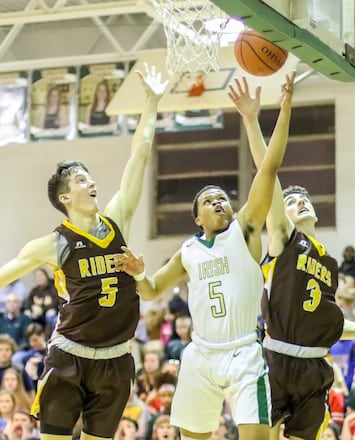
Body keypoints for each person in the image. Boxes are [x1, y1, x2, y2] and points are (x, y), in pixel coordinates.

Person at [0, 64, 167, 440]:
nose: (91, 182)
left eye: (89, 176)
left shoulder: (117, 218)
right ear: (65, 197)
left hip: (116, 359)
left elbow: (139, 156)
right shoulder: (52, 244)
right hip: (70, 356)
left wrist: (151, 104)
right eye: (80, 179)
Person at [113, 73, 296, 440]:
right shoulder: (189, 250)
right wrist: (136, 273)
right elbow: (150, 291)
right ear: (197, 217)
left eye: (222, 197)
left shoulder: (244, 229)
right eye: (209, 200)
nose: (219, 202)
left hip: (244, 352)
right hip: (200, 354)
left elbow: (269, 168)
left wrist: (261, 115)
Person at [232, 73, 355, 440]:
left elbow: (328, 325)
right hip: (277, 360)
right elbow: (268, 173)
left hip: (315, 365)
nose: (299, 202)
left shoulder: (328, 264)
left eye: (304, 199)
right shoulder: (285, 240)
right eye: (290, 202)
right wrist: (258, 118)